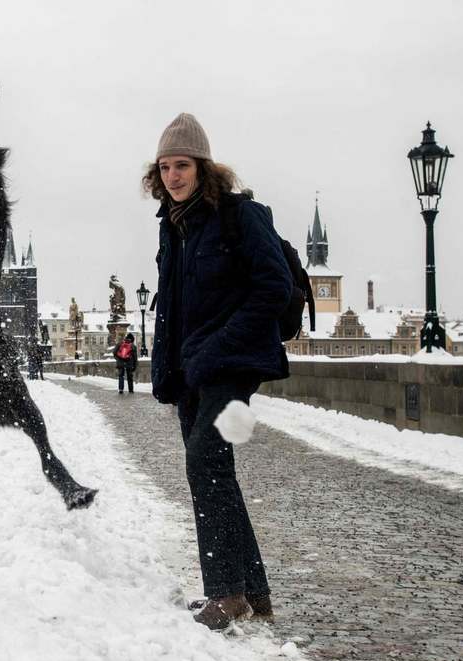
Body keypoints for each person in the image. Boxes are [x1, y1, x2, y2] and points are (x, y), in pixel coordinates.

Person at [144, 113, 292, 630]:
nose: (172, 176)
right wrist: (171, 366)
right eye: (164, 167)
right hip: (193, 370)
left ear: (203, 167)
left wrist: (218, 347)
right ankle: (253, 592)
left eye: (181, 165)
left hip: (230, 365)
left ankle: (226, 593)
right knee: (212, 470)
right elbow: (174, 308)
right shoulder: (174, 226)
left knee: (206, 465)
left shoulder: (239, 217)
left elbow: (273, 287)